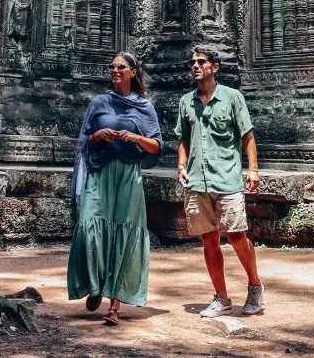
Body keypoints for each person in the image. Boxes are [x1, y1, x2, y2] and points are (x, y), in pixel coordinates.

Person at [68, 52, 163, 325]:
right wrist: (96, 136)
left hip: (127, 175)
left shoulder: (144, 107)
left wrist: (135, 137)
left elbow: (157, 146)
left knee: (124, 232)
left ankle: (115, 304)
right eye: (111, 66)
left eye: (120, 66)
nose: (114, 70)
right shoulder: (99, 102)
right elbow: (84, 141)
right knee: (90, 227)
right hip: (100, 172)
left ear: (133, 72)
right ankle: (95, 285)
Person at [175, 46, 265, 317]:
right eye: (193, 62)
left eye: (202, 62)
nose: (196, 66)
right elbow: (184, 139)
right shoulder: (186, 102)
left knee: (237, 237)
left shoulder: (232, 98)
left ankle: (255, 286)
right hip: (198, 182)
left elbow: (247, 136)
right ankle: (221, 298)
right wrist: (181, 165)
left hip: (227, 178)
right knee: (209, 241)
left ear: (215, 67)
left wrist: (253, 170)